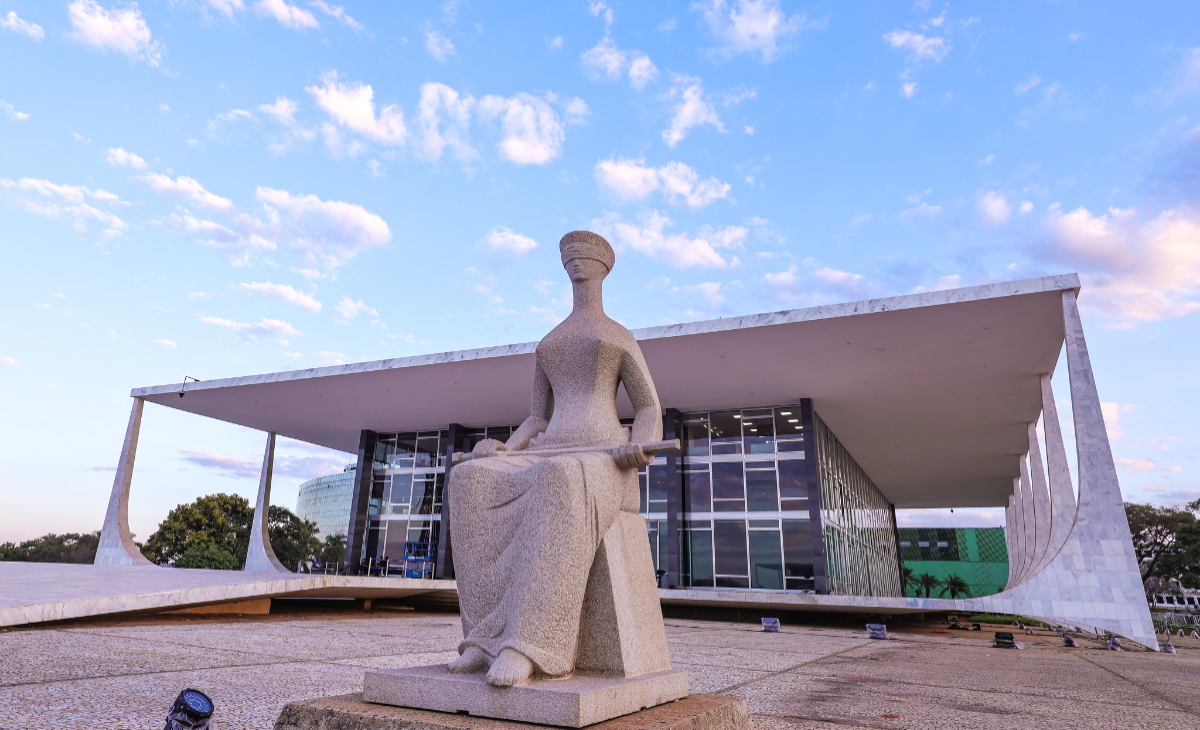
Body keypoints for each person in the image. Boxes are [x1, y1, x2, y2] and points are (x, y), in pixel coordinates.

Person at [446, 231, 661, 687]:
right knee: (469, 481)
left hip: (606, 457)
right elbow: (536, 419)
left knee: (561, 478)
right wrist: (505, 448)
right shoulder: (549, 343)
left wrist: (639, 445)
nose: (577, 264)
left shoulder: (617, 336)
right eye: (570, 258)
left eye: (585, 258)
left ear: (603, 268)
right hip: (549, 449)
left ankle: (529, 644)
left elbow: (648, 407)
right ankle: (483, 639)